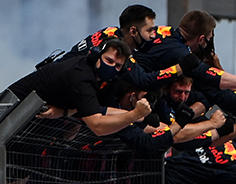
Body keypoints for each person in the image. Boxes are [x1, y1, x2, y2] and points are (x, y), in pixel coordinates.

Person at [9, 38, 152, 136]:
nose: (112, 68)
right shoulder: (82, 77)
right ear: (96, 55)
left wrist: (65, 112)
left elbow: (95, 109)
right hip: (10, 118)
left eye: (118, 66)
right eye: (109, 60)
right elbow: (97, 126)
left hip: (24, 122)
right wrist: (134, 115)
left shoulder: (87, 72)